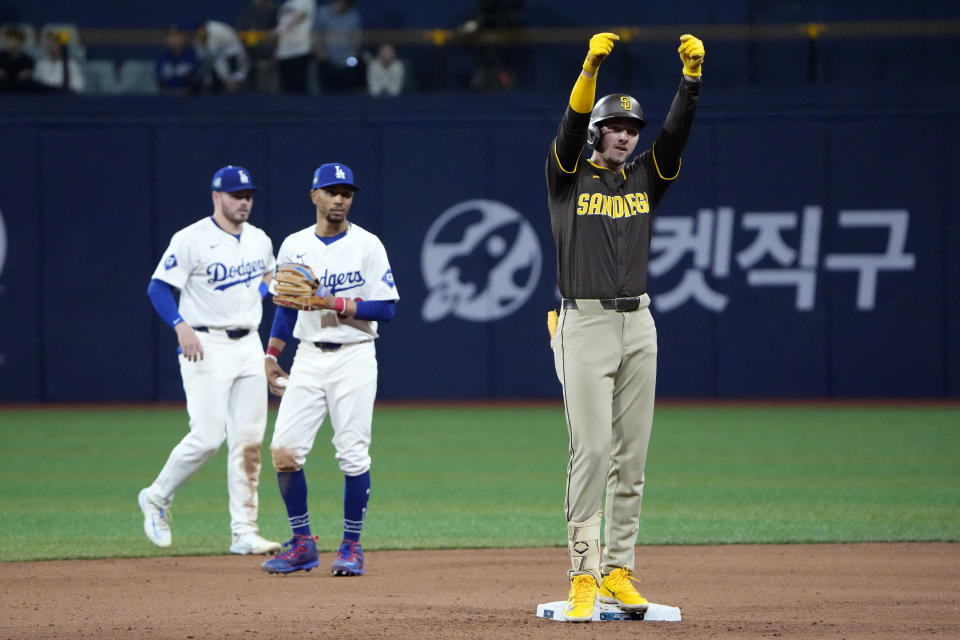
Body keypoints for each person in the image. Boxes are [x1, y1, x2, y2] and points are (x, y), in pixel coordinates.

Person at [545, 32, 704, 621]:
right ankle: (582, 573)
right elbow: (568, 125)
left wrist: (690, 82)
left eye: (632, 129)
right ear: (596, 132)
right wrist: (589, 70)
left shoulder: (645, 178)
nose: (626, 135)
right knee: (590, 450)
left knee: (631, 456)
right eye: (616, 127)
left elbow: (676, 134)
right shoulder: (566, 178)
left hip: (639, 324)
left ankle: (617, 571)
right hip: (584, 324)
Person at [260, 163, 399, 576]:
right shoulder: (294, 245)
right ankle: (302, 544)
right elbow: (285, 304)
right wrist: (271, 354)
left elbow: (387, 308)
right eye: (332, 191)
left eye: (347, 192)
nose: (340, 199)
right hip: (307, 356)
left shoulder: (368, 245)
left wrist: (336, 303)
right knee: (283, 451)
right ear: (314, 196)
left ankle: (351, 546)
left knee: (352, 454)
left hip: (354, 355)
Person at [138, 165, 282, 556]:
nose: (244, 202)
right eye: (237, 195)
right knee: (207, 437)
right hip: (204, 342)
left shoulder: (260, 240)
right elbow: (158, 287)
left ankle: (244, 532)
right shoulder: (191, 239)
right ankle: (156, 497)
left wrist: (265, 288)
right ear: (216, 196)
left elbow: (269, 275)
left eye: (249, 195)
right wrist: (180, 326)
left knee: (249, 442)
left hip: (248, 343)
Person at [312, 0, 362, 93]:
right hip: (326, 63)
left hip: (347, 65)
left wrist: (351, 60)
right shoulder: (323, 13)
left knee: (347, 98)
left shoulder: (353, 15)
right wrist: (321, 55)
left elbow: (356, 42)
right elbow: (315, 37)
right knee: (327, 98)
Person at [193, 20, 250, 93]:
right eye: (196, 31)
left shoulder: (220, 32)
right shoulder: (197, 41)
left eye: (200, 30)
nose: (198, 33)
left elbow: (239, 55)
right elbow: (210, 61)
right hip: (222, 72)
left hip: (238, 67)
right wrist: (226, 79)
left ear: (204, 28)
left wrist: (234, 78)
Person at [274, 0, 315, 94]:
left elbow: (298, 16)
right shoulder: (287, 4)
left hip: (300, 51)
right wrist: (277, 51)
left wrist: (277, 31)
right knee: (286, 89)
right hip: (284, 53)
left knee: (299, 89)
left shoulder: (306, 1)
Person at [156, 24, 201, 96]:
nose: (174, 39)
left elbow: (197, 78)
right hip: (166, 98)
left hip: (190, 98)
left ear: (183, 37)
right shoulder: (162, 56)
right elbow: (159, 79)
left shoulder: (192, 55)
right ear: (167, 39)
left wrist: (189, 89)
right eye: (171, 36)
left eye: (177, 35)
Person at [0, 25, 35, 93]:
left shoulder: (27, 60)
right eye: (9, 39)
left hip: (21, 91)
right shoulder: (1, 57)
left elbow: (31, 73)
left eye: (15, 40)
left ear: (21, 42)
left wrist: (28, 73)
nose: (12, 42)